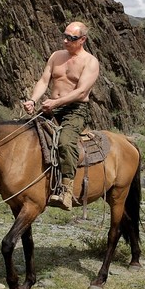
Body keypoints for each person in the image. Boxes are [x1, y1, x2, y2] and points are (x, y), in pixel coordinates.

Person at [22, 21, 100, 210]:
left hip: (75, 109)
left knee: (65, 142)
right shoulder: (56, 56)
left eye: (71, 38)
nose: (65, 41)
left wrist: (56, 102)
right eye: (64, 36)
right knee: (23, 132)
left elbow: (81, 92)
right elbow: (43, 80)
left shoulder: (90, 62)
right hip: (52, 107)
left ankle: (66, 190)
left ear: (82, 40)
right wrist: (33, 100)